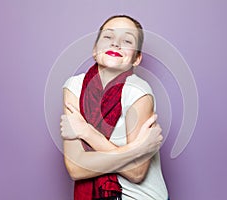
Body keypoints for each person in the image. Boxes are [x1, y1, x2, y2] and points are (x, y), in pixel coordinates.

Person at [60, 15, 169, 200]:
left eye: (127, 40)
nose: (116, 44)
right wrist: (136, 150)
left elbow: (136, 172)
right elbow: (76, 168)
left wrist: (87, 132)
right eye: (108, 37)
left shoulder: (138, 92)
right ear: (95, 50)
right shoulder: (74, 87)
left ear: (136, 58)